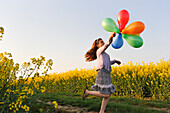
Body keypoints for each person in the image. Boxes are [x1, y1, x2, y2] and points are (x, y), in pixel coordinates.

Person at [83, 32, 121, 113]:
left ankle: (101, 111)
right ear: (97, 45)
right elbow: (106, 45)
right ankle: (87, 92)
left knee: (108, 94)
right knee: (105, 94)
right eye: (101, 42)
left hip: (107, 73)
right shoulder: (99, 51)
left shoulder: (105, 54)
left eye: (103, 41)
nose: (103, 42)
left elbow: (108, 62)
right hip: (102, 73)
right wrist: (111, 37)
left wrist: (115, 61)